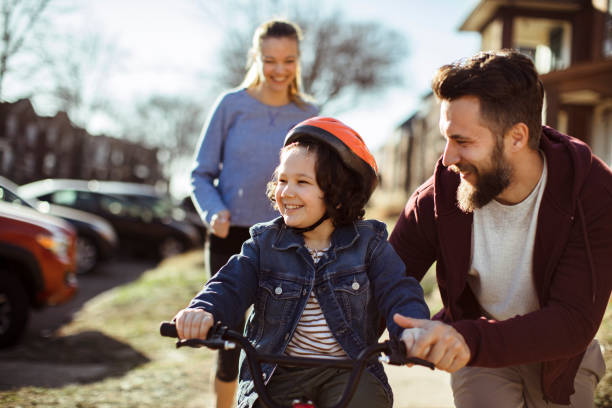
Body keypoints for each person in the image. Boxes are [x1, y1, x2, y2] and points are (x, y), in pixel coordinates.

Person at [389, 49, 612, 407]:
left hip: (561, 354)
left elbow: (572, 322)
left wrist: (464, 339)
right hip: (480, 349)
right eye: (447, 138)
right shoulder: (439, 195)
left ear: (517, 137)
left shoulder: (594, 193)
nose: (447, 158)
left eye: (463, 141)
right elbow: (386, 278)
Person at [176, 117, 430, 408]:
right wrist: (203, 310)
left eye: (302, 182)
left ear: (339, 194)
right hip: (276, 371)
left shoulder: (369, 245)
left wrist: (413, 330)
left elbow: (399, 290)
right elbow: (229, 283)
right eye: (282, 180)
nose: (286, 192)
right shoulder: (264, 243)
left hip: (348, 372)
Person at [190, 19, 318, 408]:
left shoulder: (309, 111)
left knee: (283, 336)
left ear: (299, 60)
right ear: (255, 58)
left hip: (288, 238)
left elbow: (319, 177)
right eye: (270, 60)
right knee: (228, 341)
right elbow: (200, 173)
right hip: (231, 235)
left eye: (289, 60)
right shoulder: (232, 105)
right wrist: (214, 211)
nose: (280, 70)